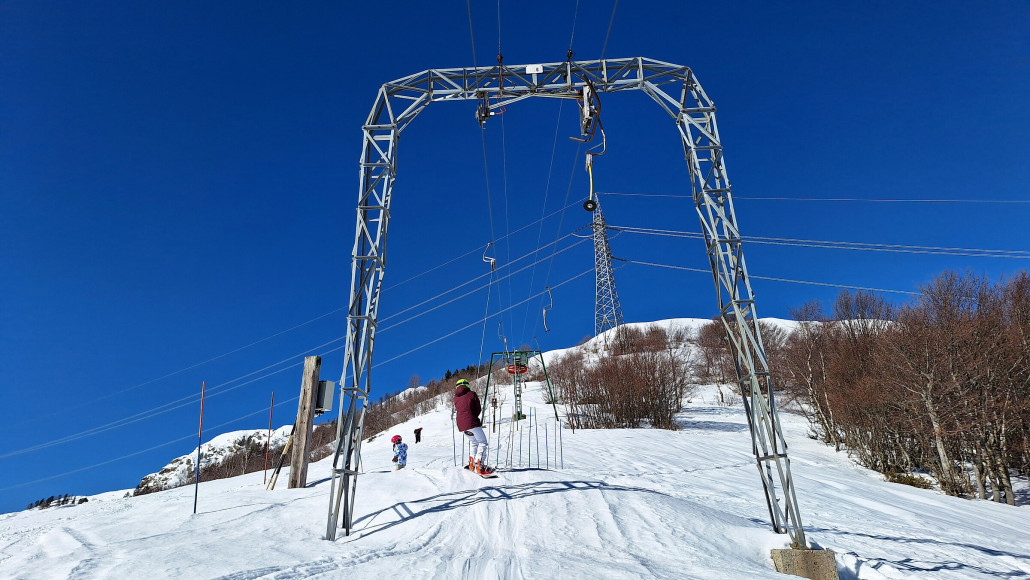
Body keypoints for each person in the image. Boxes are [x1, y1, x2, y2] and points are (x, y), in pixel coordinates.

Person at [453, 378, 492, 474]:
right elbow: (477, 409)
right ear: (467, 385)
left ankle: (472, 463)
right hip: (472, 422)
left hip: (461, 425)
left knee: (474, 442)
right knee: (482, 443)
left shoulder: (455, 398)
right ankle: (479, 465)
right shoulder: (472, 394)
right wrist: (473, 417)